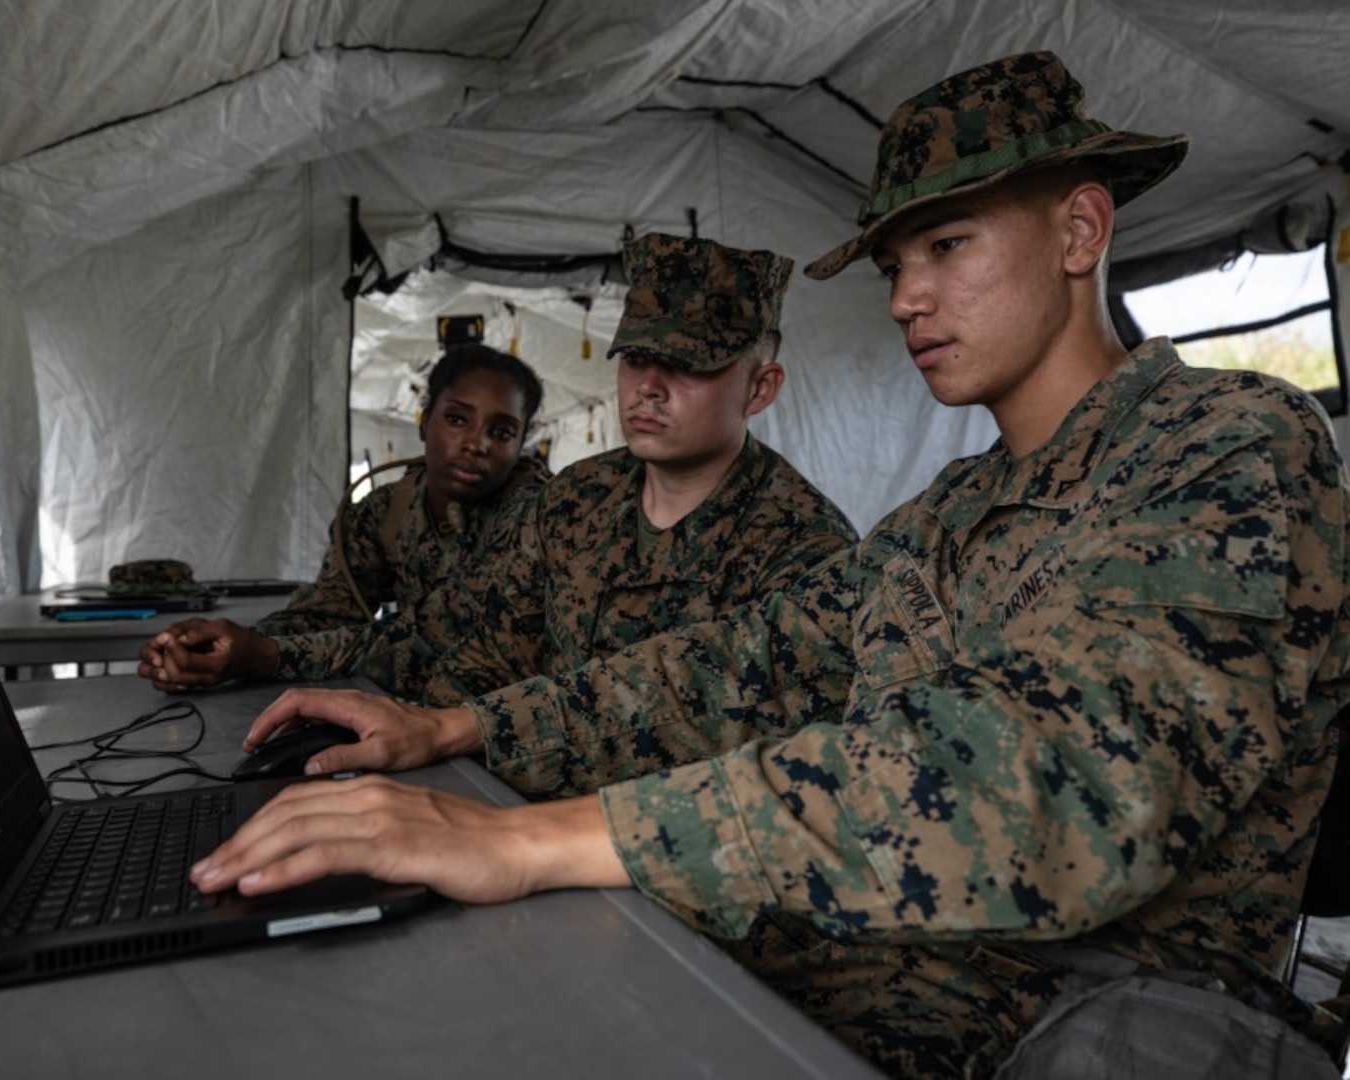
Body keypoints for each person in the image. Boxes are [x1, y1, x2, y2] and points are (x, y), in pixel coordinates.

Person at [190, 52, 1350, 1078]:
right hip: (895, 960)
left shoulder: (1225, 444)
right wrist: (457, 732)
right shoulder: (946, 516)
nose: (903, 298)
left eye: (945, 246)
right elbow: (727, 669)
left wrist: (536, 837)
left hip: (1100, 1008)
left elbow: (1065, 784)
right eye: (895, 259)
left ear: (1078, 232)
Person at [250, 232, 858, 796]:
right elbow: (476, 648)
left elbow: (742, 760)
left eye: (689, 364)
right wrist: (404, 734)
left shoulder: (807, 549)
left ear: (760, 388)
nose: (648, 385)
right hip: (509, 813)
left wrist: (456, 733)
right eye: (636, 356)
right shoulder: (578, 498)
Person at [137, 343, 548, 701]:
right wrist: (219, 646)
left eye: (501, 431)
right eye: (458, 419)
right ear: (424, 422)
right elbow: (328, 612)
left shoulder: (537, 514)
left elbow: (431, 642)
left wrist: (262, 655)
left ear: (520, 444)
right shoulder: (385, 511)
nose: (477, 444)